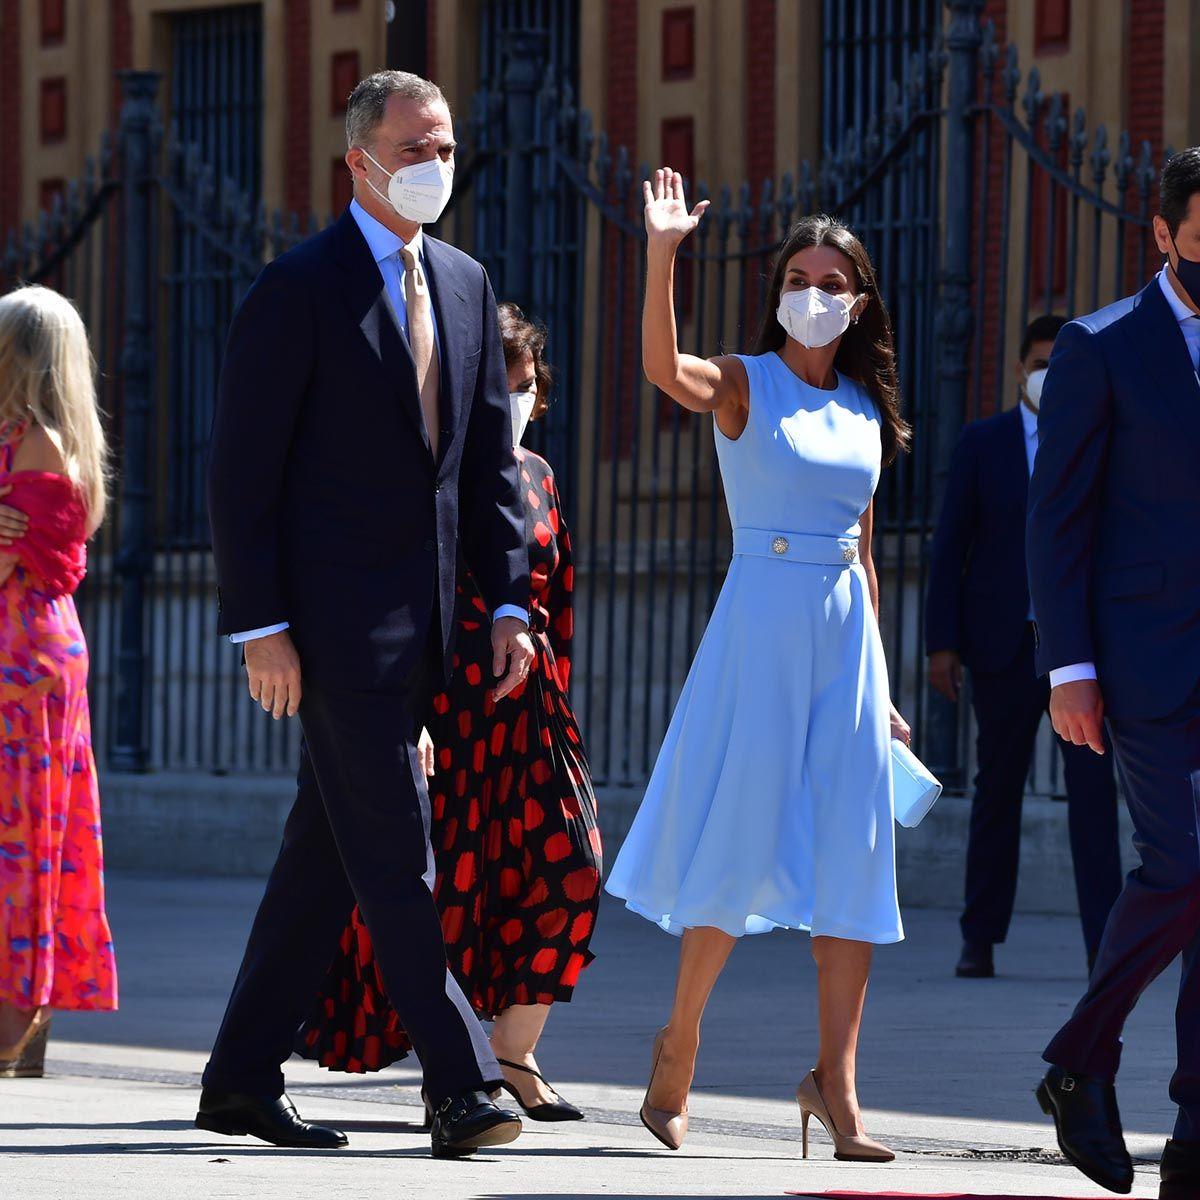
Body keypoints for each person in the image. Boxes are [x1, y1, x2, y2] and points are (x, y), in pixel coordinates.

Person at [199, 70, 535, 1160]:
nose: (436, 162)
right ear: (359, 160)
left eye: (445, 143)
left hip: (431, 625)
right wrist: (261, 628)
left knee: (329, 855)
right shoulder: (298, 288)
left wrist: (512, 599)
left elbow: (486, 468)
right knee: (398, 854)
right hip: (331, 633)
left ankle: (241, 1078)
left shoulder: (469, 283)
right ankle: (463, 1084)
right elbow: (242, 475)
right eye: (414, 145)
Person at [606, 170, 910, 1162]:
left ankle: (839, 1086)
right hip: (761, 628)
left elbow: (863, 554)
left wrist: (886, 691)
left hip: (844, 650)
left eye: (831, 281)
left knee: (857, 861)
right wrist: (661, 255)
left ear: (858, 302)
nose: (812, 293)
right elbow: (661, 368)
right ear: (778, 287)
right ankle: (678, 1044)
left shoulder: (867, 407)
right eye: (797, 275)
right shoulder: (745, 381)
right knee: (737, 840)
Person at [296, 302, 601, 1123]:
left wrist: (560, 703)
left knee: (575, 866)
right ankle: (464, 1068)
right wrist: (405, 714)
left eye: (529, 387)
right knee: (446, 901)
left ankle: (516, 1048)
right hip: (444, 715)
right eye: (502, 390)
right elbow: (395, 603)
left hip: (529, 716)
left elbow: (556, 600)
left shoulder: (538, 478)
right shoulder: (428, 475)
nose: (519, 402)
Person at [1029, 147, 1200, 1200]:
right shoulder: (1100, 346)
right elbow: (1058, 521)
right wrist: (1069, 667)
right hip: (1141, 663)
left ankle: (1189, 1127)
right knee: (1184, 864)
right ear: (1167, 232)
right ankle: (1080, 1053)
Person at [926, 314, 1123, 981]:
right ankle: (978, 938)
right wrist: (942, 643)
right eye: (1037, 361)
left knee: (1093, 796)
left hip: (1079, 649)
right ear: (1018, 369)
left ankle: (1105, 944)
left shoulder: (1101, 438)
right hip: (1004, 646)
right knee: (996, 791)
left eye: (1058, 363)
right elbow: (950, 545)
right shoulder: (985, 442)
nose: (1047, 374)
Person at [0, 285, 115, 1077]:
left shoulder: (24, 441)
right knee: (34, 838)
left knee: (17, 846)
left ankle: (12, 1026)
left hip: (15, 663)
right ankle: (25, 1025)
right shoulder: (56, 441)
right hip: (42, 657)